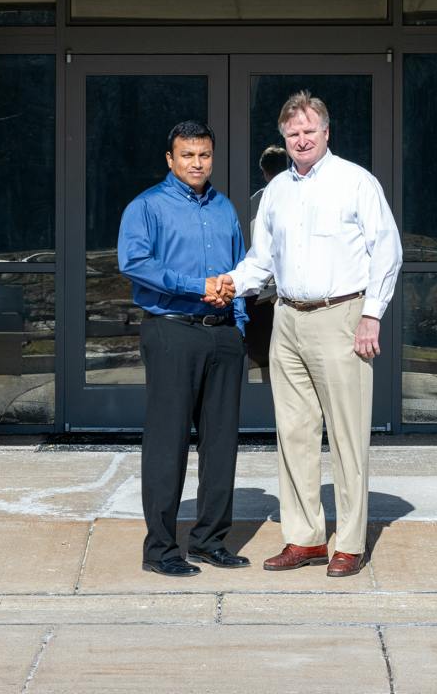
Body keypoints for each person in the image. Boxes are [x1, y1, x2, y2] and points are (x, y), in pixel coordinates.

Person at [218, 92, 401, 578]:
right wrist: (231, 284)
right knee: (294, 435)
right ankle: (305, 538)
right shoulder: (277, 190)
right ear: (284, 139)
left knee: (346, 436)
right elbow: (263, 260)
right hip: (287, 319)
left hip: (342, 317)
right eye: (292, 134)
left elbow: (387, 252)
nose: (301, 140)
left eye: (309, 131)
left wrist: (372, 315)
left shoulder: (355, 182)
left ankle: (350, 542)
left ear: (326, 133)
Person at [117, 120, 250, 578]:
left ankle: (210, 541)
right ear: (170, 159)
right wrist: (199, 287)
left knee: (221, 443)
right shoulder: (147, 207)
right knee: (167, 443)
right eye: (188, 155)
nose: (197, 163)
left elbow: (238, 270)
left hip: (223, 335)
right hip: (172, 332)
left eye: (205, 155)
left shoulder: (225, 208)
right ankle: (160, 549)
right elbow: (135, 264)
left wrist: (239, 326)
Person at [243, 145, 289, 380]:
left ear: (263, 171)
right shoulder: (296, 195)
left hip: (262, 286)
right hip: (283, 288)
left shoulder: (255, 201)